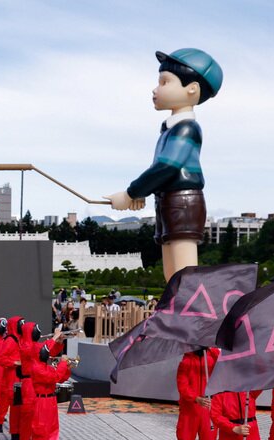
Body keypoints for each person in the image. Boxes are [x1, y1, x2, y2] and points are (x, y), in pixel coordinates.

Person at [108, 48, 223, 281]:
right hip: (169, 201)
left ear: (192, 89)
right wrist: (142, 193)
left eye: (164, 82)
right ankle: (174, 313)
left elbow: (167, 167)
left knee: (183, 275)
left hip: (183, 203)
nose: (155, 89)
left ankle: (186, 315)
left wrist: (131, 193)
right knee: (173, 276)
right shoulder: (171, 128)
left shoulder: (186, 128)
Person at [174, 347, 220, 440]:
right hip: (190, 411)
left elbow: (223, 371)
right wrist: (195, 398)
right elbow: (182, 385)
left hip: (209, 408)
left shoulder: (214, 357)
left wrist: (212, 352)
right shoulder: (186, 361)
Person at [28, 340, 70, 440]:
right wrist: (63, 364)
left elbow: (60, 378)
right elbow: (55, 377)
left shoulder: (46, 366)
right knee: (40, 432)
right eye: (45, 350)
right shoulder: (37, 368)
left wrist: (68, 367)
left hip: (51, 401)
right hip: (42, 402)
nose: (47, 353)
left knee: (53, 431)